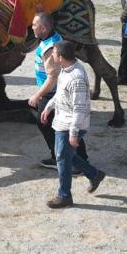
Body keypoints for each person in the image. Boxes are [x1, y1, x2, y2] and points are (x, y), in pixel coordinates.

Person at [41, 40, 107, 209]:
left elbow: (79, 108)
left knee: (62, 158)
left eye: (54, 53)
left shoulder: (76, 77)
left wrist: (73, 133)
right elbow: (61, 94)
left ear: (61, 57)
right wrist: (49, 107)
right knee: (65, 156)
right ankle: (94, 174)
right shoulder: (65, 70)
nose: (52, 55)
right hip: (62, 121)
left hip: (70, 124)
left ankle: (64, 196)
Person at [28, 13, 89, 170]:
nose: (32, 27)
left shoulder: (50, 48)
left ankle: (74, 162)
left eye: (35, 25)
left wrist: (37, 95)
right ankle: (69, 158)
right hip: (53, 92)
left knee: (51, 124)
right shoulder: (52, 38)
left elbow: (52, 77)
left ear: (44, 28)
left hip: (51, 93)